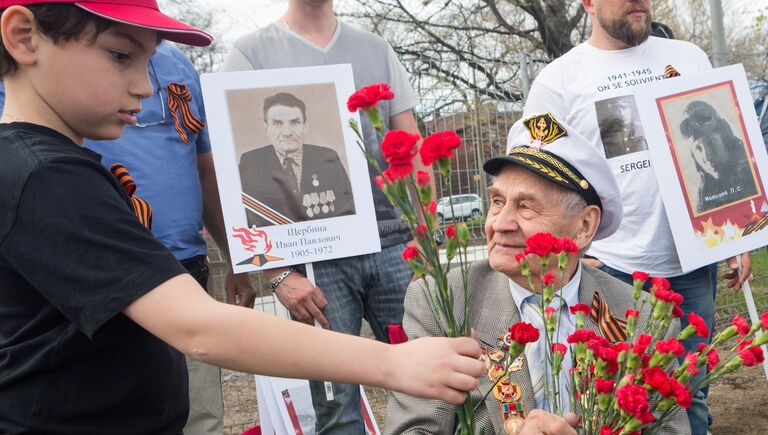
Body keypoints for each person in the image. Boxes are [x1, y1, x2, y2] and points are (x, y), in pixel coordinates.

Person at [0, 1, 486, 433]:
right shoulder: (46, 178)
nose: (146, 86)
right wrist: (392, 362)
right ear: (24, 36)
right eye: (120, 56)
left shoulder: (57, 166)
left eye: (149, 62)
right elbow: (201, 328)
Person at [521, 2, 750, 433]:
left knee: (689, 393)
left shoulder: (688, 59)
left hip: (692, 264)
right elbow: (535, 174)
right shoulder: (560, 81)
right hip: (610, 269)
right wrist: (570, 248)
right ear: (588, 3)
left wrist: (736, 233)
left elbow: (724, 146)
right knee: (615, 399)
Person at [385, 114, 690, 435]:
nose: (499, 223)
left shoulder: (641, 319)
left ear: (584, 226)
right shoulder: (442, 302)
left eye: (526, 207)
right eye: (498, 201)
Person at [221, 1, 432, 433]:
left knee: (429, 386)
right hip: (315, 262)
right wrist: (279, 273)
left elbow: (412, 147)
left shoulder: (376, 49)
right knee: (336, 409)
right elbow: (229, 182)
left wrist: (426, 240)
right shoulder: (248, 55)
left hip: (393, 246)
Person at [239, 92, 355, 227]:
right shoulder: (250, 163)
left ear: (305, 127)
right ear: (267, 129)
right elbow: (246, 218)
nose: (287, 132)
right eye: (277, 124)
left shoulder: (327, 158)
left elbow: (347, 214)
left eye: (294, 122)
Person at [678, 100, 757, 213]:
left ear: (726, 139)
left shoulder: (755, 169)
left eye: (711, 143)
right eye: (698, 149)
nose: (707, 157)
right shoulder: (703, 194)